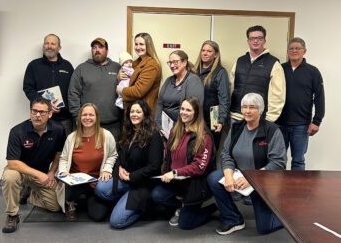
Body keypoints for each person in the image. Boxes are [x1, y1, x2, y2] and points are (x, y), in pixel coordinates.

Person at [207, 93, 286, 235]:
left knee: (264, 228)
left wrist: (252, 179)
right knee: (213, 178)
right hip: (240, 174)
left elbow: (278, 163)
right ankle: (233, 219)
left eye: (252, 107)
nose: (247, 111)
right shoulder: (236, 127)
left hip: (263, 181)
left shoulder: (273, 131)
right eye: (244, 107)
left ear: (260, 110)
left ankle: (286, 215)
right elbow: (226, 154)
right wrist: (229, 175)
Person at [95, 100, 163, 228]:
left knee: (116, 222)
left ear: (145, 114)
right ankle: (125, 201)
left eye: (138, 112)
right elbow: (120, 155)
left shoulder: (154, 135)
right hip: (126, 181)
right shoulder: (129, 132)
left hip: (142, 184)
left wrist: (131, 176)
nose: (134, 114)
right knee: (100, 188)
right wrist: (120, 167)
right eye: (132, 111)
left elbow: (155, 166)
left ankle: (144, 208)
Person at [1, 97, 66, 233]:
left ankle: (31, 194)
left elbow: (59, 153)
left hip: (42, 174)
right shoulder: (17, 131)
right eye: (34, 111)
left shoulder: (58, 129)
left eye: (42, 112)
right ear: (30, 112)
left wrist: (51, 173)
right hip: (21, 171)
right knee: (9, 177)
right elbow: (12, 162)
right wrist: (39, 174)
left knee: (55, 207)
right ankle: (12, 215)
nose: (37, 115)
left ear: (50, 114)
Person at [152, 97, 217, 230]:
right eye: (182, 109)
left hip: (194, 184)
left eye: (188, 110)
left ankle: (212, 209)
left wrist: (176, 172)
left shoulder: (204, 136)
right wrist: (165, 173)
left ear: (196, 113)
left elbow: (199, 167)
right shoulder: (175, 130)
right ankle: (181, 206)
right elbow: (168, 157)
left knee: (185, 224)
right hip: (176, 181)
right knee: (157, 195)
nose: (184, 112)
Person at [56, 103, 118, 221]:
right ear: (79, 118)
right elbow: (64, 158)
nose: (87, 118)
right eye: (84, 115)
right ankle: (71, 203)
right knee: (70, 191)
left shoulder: (106, 135)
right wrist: (63, 171)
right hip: (75, 181)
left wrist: (106, 169)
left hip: (95, 181)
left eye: (91, 115)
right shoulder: (72, 137)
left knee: (98, 215)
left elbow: (112, 155)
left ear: (97, 117)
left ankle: (92, 198)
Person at [277, 37, 325, 171]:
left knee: (298, 161)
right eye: (291, 48)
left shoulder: (312, 72)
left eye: (297, 48)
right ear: (287, 51)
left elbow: (320, 97)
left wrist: (317, 121)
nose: (294, 51)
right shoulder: (280, 69)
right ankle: (278, 191)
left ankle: (295, 192)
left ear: (305, 51)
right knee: (278, 159)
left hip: (301, 125)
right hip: (279, 124)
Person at [229, 25, 286, 122]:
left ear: (264, 40)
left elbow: (278, 95)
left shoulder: (274, 64)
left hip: (259, 119)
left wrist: (270, 119)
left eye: (259, 38)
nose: (255, 41)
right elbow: (230, 87)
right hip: (236, 116)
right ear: (248, 41)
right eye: (252, 38)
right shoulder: (240, 61)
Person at [68, 37, 121, 140]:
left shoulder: (117, 68)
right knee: (88, 155)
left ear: (107, 50)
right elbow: (73, 94)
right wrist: (77, 117)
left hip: (113, 125)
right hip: (88, 125)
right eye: (94, 47)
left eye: (101, 47)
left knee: (112, 155)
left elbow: (125, 91)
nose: (97, 50)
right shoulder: (81, 69)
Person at [23, 33, 74, 136]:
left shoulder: (67, 66)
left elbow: (73, 90)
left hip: (64, 119)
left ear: (59, 47)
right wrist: (46, 104)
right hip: (41, 118)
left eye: (53, 44)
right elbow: (28, 89)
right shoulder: (34, 65)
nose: (49, 46)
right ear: (43, 46)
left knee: (65, 150)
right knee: (42, 150)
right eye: (46, 43)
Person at [155, 50, 204, 136]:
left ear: (184, 62)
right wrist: (158, 125)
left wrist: (176, 129)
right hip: (165, 129)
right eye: (170, 62)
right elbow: (159, 103)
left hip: (182, 129)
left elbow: (192, 110)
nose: (172, 65)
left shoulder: (193, 81)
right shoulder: (169, 80)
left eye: (175, 62)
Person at [194, 40, 230, 150]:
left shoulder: (220, 72)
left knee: (209, 151)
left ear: (216, 55)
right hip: (194, 117)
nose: (205, 53)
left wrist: (221, 121)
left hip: (212, 118)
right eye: (203, 50)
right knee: (193, 150)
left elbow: (224, 98)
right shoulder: (194, 71)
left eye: (209, 51)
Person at [116, 33, 161, 117]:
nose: (138, 47)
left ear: (148, 45)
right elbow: (128, 80)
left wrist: (121, 91)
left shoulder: (151, 65)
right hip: (134, 111)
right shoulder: (135, 63)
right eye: (136, 44)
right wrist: (119, 77)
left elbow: (138, 91)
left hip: (144, 112)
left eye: (141, 44)